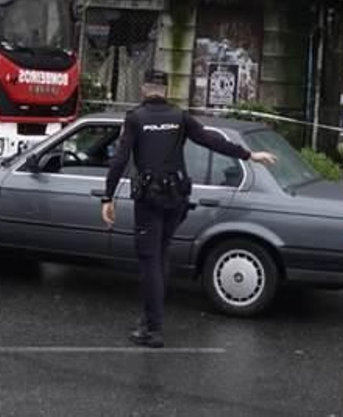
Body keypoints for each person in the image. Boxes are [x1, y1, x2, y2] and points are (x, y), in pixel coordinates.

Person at [100, 70, 277, 348]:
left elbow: (119, 159)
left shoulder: (135, 118)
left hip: (149, 201)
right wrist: (250, 155)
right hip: (177, 198)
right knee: (160, 254)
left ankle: (152, 329)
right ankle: (149, 319)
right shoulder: (179, 116)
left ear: (145, 88)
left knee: (150, 261)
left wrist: (107, 198)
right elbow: (210, 140)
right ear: (166, 90)